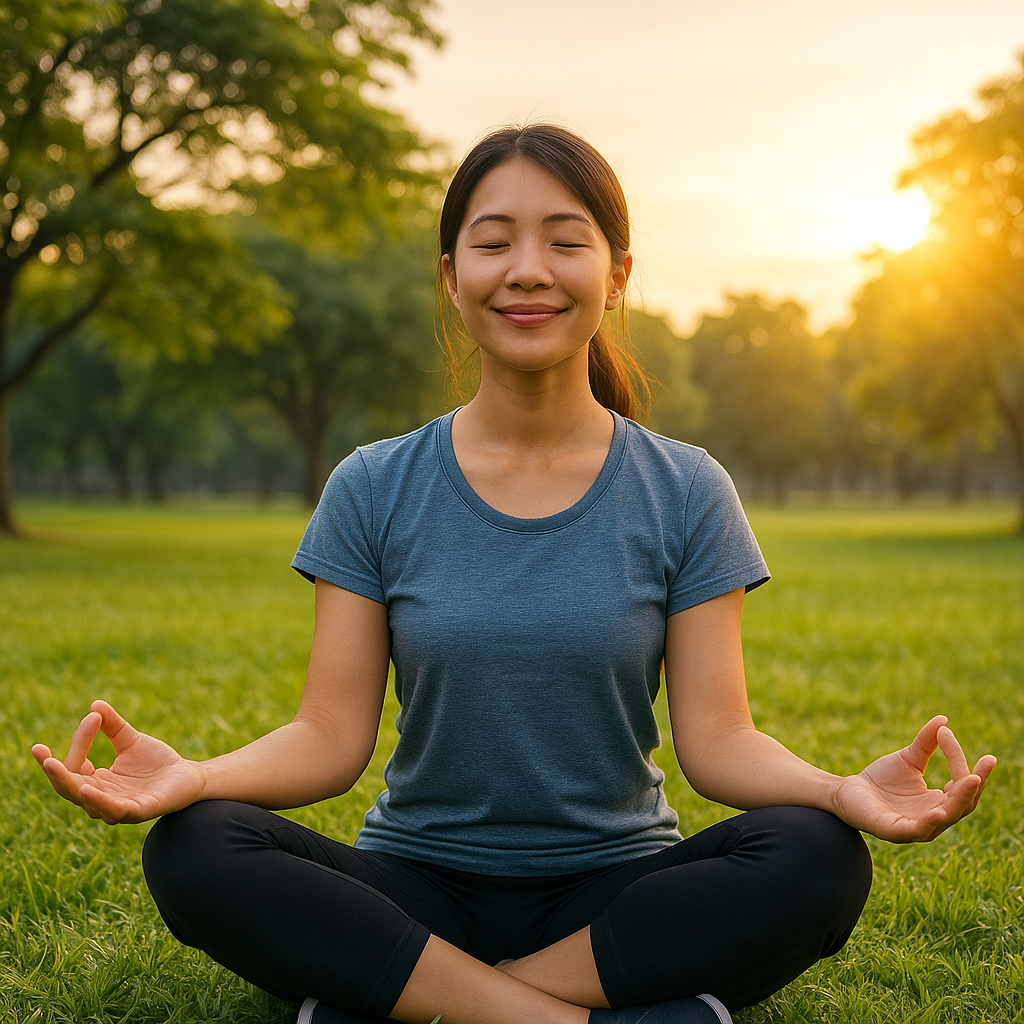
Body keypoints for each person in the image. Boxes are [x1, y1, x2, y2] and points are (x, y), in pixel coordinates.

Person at [33, 124, 996, 1024]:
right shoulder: (373, 484)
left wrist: (838, 794)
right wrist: (197, 777)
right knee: (197, 848)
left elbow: (718, 741)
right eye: (493, 243)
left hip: (615, 889)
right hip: (417, 882)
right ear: (451, 277)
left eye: (565, 243)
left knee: (817, 860)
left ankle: (409, 998)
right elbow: (329, 735)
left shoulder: (686, 488)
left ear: (617, 276)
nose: (528, 271)